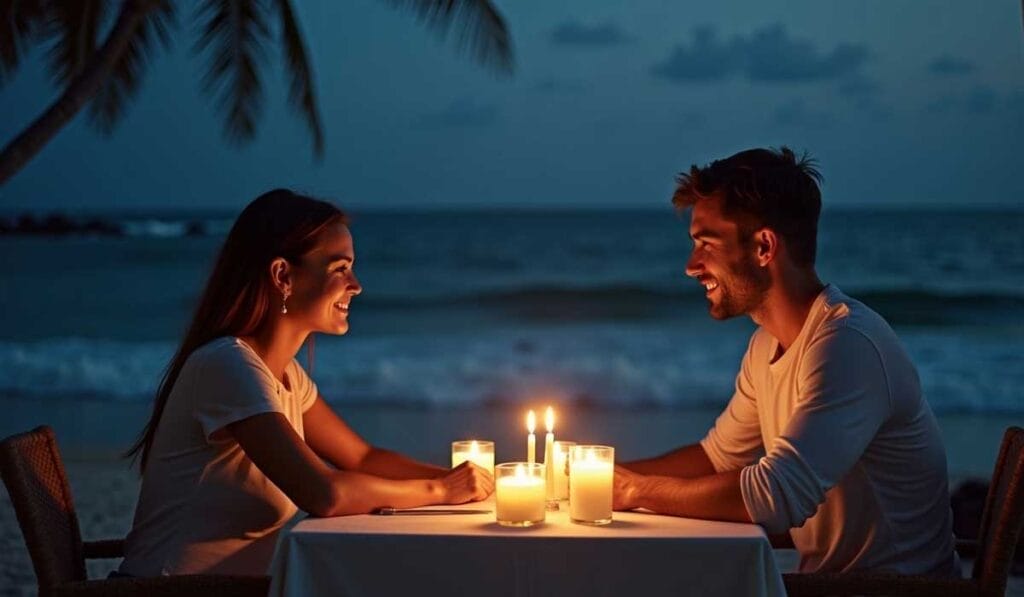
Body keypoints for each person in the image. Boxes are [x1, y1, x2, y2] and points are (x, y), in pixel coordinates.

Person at [613, 147, 959, 576]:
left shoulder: (847, 345)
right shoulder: (767, 345)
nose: (691, 266)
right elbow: (718, 458)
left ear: (763, 246)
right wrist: (600, 477)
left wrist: (635, 491)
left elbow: (775, 496)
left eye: (706, 244)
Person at [119, 189, 493, 577]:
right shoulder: (227, 365)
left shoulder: (285, 375)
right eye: (340, 268)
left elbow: (363, 458)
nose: (357, 285)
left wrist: (473, 482)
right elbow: (325, 493)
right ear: (283, 275)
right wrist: (442, 492)